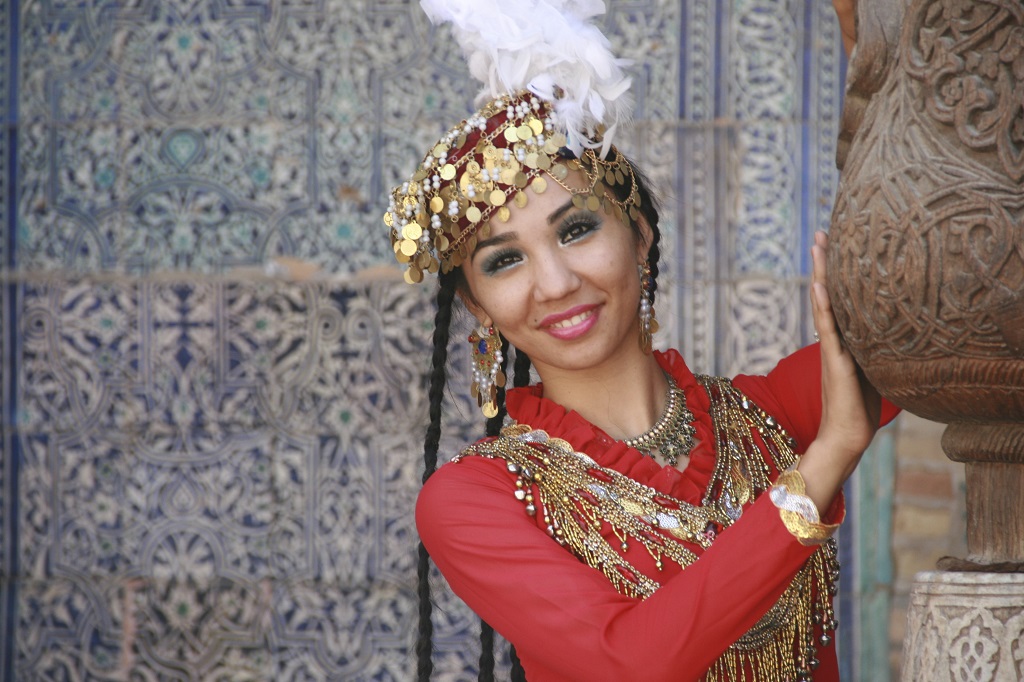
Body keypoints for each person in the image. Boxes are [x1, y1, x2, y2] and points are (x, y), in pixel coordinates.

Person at [384, 1, 893, 680]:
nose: (557, 282)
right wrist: (827, 459)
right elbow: (629, 662)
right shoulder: (474, 500)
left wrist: (887, 89)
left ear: (641, 238)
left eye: (576, 230)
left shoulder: (771, 417)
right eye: (505, 260)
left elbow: (952, 299)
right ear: (478, 308)